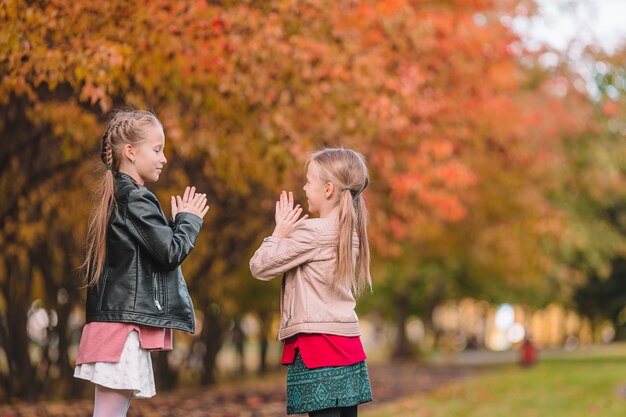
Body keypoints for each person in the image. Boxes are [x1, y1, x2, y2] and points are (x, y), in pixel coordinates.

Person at [74, 109, 209, 417]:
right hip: (121, 329)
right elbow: (170, 254)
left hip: (116, 325)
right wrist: (189, 221)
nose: (163, 158)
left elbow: (153, 250)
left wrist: (175, 224)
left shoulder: (122, 195)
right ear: (131, 152)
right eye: (157, 149)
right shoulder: (136, 198)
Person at [250, 148, 373, 417]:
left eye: (308, 181)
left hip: (317, 347)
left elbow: (259, 267)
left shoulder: (313, 233)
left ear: (328, 189)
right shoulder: (350, 231)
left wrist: (278, 233)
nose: (304, 188)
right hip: (347, 343)